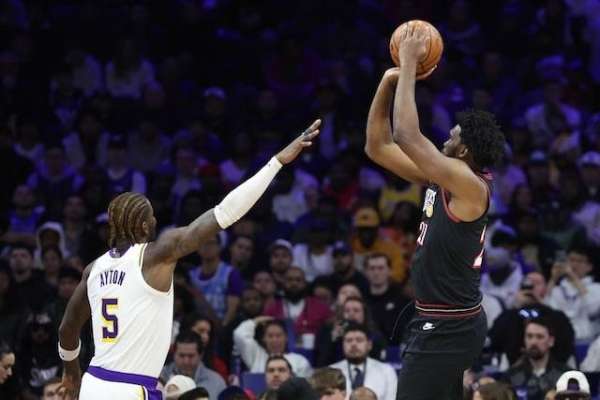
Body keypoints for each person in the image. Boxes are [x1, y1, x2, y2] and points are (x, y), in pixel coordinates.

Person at [56, 120, 321, 399]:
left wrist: (71, 372)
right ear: (145, 226)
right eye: (152, 218)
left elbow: (67, 330)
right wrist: (276, 163)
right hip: (130, 387)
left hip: (94, 383)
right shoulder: (154, 255)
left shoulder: (93, 270)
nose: (155, 222)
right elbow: (224, 212)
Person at [364, 25, 505, 400]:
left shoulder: (469, 185)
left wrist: (409, 64)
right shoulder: (442, 177)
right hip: (437, 318)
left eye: (452, 136)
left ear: (464, 152)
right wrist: (388, 81)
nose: (444, 139)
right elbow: (377, 146)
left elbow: (406, 135)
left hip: (449, 325)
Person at [503, 318, 568, 400]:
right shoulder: (510, 377)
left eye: (539, 337)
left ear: (551, 341)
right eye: (529, 336)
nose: (533, 342)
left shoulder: (566, 376)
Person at [330, 323, 397, 400]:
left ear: (369, 345)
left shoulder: (387, 371)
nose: (353, 344)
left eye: (359, 340)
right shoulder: (331, 372)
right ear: (343, 345)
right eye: (349, 340)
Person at [160, 331, 226, 399]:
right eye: (181, 355)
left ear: (201, 355)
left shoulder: (216, 382)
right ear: (174, 353)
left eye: (191, 356)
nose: (186, 361)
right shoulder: (160, 376)